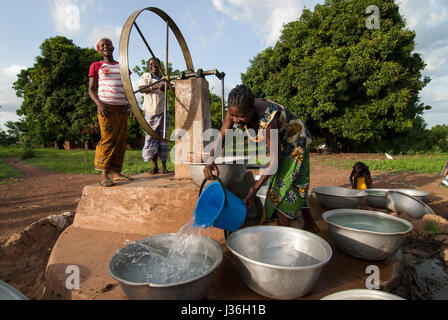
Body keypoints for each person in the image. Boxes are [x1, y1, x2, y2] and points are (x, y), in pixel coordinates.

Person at [204, 85, 320, 233]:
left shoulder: (268, 119)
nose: (236, 120)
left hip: (296, 142)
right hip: (280, 142)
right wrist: (210, 159)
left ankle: (283, 242)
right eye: (233, 116)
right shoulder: (235, 109)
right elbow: (222, 136)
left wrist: (254, 188)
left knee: (279, 194)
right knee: (290, 185)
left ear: (252, 109)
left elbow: (275, 161)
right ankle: (310, 223)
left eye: (241, 116)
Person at [88, 37, 133, 187]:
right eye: (102, 45)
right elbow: (91, 89)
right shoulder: (97, 66)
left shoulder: (122, 67)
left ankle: (117, 174)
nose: (105, 46)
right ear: (99, 50)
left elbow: (128, 89)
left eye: (108, 44)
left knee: (121, 139)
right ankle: (104, 174)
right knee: (107, 138)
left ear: (113, 47)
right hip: (106, 107)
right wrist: (99, 104)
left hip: (122, 108)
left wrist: (132, 106)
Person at [138, 57, 170, 175]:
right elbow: (141, 89)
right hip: (150, 112)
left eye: (156, 64)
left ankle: (164, 166)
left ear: (160, 66)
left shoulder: (165, 78)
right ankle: (154, 166)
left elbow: (173, 88)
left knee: (163, 139)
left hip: (163, 111)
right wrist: (156, 86)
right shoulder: (146, 77)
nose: (154, 66)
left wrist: (166, 86)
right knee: (151, 138)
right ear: (149, 67)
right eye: (151, 64)